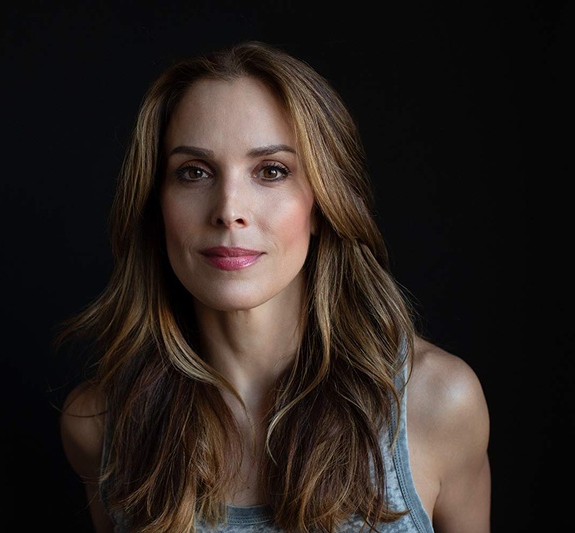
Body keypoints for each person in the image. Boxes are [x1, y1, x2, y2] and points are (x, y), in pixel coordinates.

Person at [56, 40, 491, 533]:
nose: (229, 209)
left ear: (322, 203)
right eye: (194, 172)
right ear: (157, 206)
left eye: (271, 171)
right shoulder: (100, 425)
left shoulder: (437, 403)